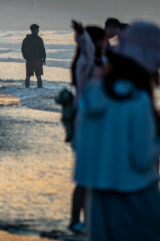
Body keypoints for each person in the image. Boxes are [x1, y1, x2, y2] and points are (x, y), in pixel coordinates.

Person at [74, 21, 160, 241]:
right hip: (138, 196)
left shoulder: (93, 94)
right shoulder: (138, 100)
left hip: (99, 200)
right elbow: (142, 159)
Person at [69, 22, 108, 233]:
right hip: (86, 121)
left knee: (94, 174)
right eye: (103, 38)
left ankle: (89, 219)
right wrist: (81, 34)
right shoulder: (86, 59)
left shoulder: (98, 60)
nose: (107, 41)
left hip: (98, 121)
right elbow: (87, 46)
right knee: (86, 174)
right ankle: (76, 220)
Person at [21, 23, 46, 88]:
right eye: (38, 29)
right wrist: (44, 59)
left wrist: (26, 57)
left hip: (29, 60)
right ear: (35, 30)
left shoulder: (26, 39)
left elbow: (23, 50)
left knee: (28, 76)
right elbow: (42, 50)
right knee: (38, 76)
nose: (38, 31)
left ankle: (26, 89)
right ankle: (39, 90)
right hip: (37, 60)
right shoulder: (39, 39)